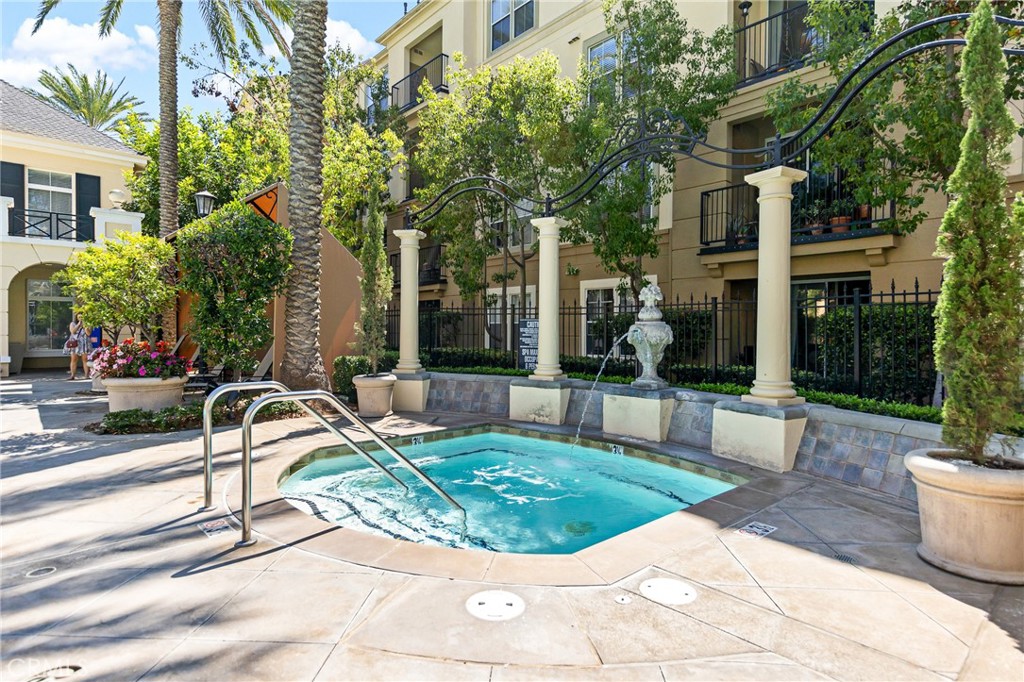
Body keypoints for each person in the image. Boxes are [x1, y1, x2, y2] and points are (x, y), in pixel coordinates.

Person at [64, 313, 91, 380]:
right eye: (79, 317)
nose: (81, 318)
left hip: (84, 343)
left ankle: (86, 375)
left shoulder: (88, 324)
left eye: (82, 317)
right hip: (75, 343)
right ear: (76, 317)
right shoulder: (73, 323)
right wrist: (79, 324)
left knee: (85, 359)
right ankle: (72, 375)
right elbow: (72, 331)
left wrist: (85, 326)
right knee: (74, 359)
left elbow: (89, 333)